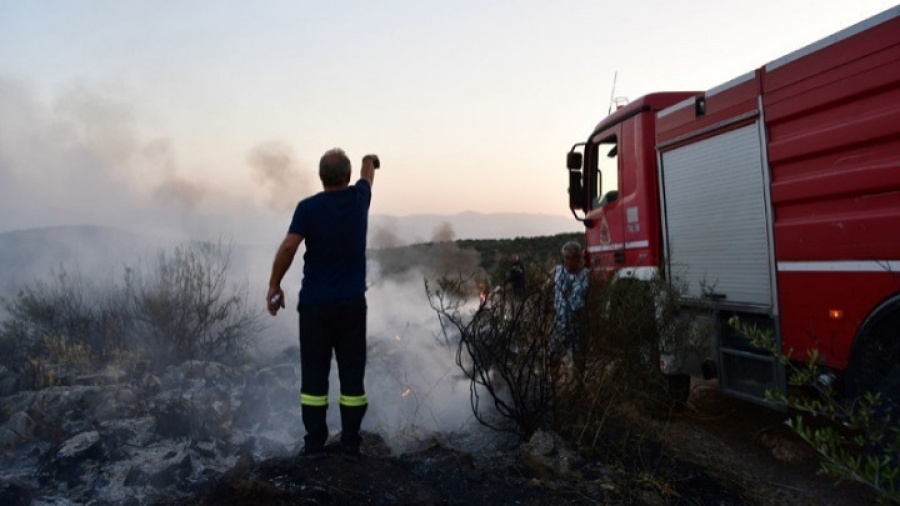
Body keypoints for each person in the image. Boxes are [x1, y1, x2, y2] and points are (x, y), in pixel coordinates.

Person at [267, 148, 379, 459]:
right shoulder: (359, 199)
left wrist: (275, 284)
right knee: (352, 376)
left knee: (314, 376)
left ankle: (314, 444)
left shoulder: (308, 208)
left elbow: (289, 246)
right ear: (347, 176)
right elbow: (367, 174)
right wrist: (370, 160)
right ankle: (350, 444)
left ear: (320, 177)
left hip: (315, 307)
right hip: (351, 306)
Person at [547, 241, 589, 359]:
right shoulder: (557, 271)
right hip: (559, 323)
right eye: (567, 257)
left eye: (573, 258)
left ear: (578, 258)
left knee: (576, 357)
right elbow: (545, 288)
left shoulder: (585, 274)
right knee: (554, 356)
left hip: (577, 325)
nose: (570, 261)